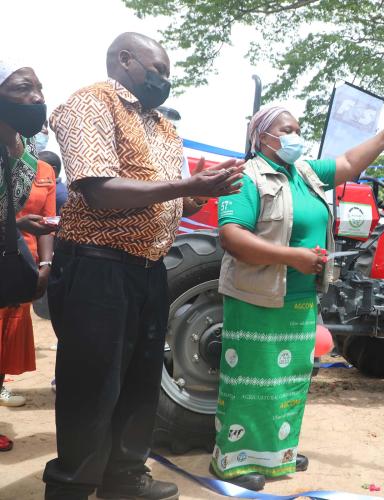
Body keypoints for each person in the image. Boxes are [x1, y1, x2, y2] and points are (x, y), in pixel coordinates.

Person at [42, 32, 245, 500]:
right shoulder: (92, 103)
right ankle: (72, 486)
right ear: (126, 59)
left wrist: (204, 189)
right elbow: (98, 188)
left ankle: (125, 477)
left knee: (140, 381)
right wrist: (183, 187)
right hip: (97, 265)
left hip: (148, 265)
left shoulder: (162, 126)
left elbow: (173, 192)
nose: (165, 81)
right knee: (92, 384)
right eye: (160, 70)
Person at [212, 106, 384, 490]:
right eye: (286, 130)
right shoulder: (246, 178)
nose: (295, 136)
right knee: (254, 380)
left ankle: (278, 453)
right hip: (258, 295)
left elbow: (350, 162)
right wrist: (294, 257)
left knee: (289, 380)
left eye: (298, 130)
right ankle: (235, 462)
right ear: (263, 136)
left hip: (301, 297)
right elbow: (232, 237)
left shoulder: (304, 173)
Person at [0, 60, 50, 451]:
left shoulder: (28, 148)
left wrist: (18, 226)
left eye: (39, 89)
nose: (36, 97)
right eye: (22, 87)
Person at [0, 154, 57, 406]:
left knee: (7, 337)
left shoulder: (43, 170)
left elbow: (48, 222)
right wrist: (13, 225)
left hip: (23, 268)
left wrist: (45, 265)